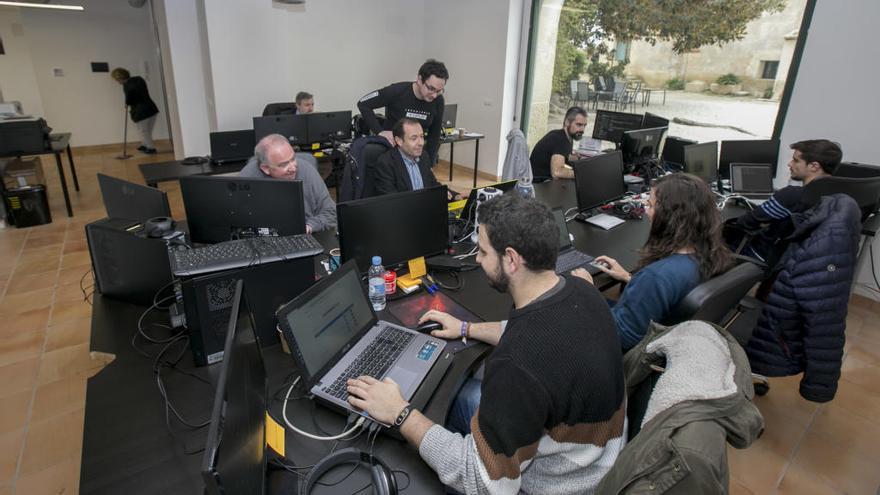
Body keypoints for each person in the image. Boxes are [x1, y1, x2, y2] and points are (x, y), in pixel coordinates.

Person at [346, 193, 626, 494]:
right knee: (458, 396)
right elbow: (540, 337)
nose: (477, 259)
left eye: (482, 251)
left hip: (557, 484)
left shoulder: (517, 365)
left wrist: (399, 413)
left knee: (414, 447)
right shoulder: (580, 290)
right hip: (598, 456)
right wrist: (466, 328)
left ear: (511, 259)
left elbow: (482, 480)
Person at [573, 173, 733, 351]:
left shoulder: (656, 276)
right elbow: (669, 295)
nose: (646, 211)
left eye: (650, 205)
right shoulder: (710, 251)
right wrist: (629, 277)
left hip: (620, 346)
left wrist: (588, 292)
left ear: (670, 217)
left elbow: (622, 338)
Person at [728, 139, 842, 263]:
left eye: (796, 160)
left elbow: (746, 222)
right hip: (798, 259)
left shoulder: (791, 195)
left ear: (814, 166)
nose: (790, 164)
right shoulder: (839, 197)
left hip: (760, 256)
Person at [239, 134, 336, 234]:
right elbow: (239, 223)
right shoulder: (246, 180)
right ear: (266, 168)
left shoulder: (307, 170)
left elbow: (331, 212)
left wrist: (309, 226)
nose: (293, 168)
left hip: (307, 234)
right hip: (265, 241)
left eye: (293, 159)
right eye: (284, 164)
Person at [357, 59, 448, 166]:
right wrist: (380, 132)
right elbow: (363, 103)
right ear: (419, 79)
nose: (434, 95)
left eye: (439, 91)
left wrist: (429, 165)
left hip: (414, 155)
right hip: (391, 153)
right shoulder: (397, 91)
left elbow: (434, 135)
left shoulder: (438, 100)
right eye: (431, 88)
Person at [372, 118, 461, 200]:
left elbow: (432, 184)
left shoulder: (424, 156)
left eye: (421, 136)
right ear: (399, 141)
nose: (421, 143)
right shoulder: (386, 163)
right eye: (414, 138)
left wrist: (454, 195)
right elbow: (391, 200)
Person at [529, 106, 587, 181]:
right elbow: (557, 172)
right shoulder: (559, 139)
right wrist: (581, 173)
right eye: (579, 125)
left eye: (584, 125)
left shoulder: (567, 136)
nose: (582, 129)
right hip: (539, 184)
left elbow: (560, 155)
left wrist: (573, 158)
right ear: (567, 122)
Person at [111, 67, 159, 154]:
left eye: (117, 80)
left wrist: (127, 103)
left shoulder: (126, 85)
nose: (117, 82)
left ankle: (151, 148)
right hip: (152, 108)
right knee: (147, 130)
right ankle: (144, 144)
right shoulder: (138, 79)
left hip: (142, 112)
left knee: (143, 131)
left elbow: (130, 97)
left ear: (120, 78)